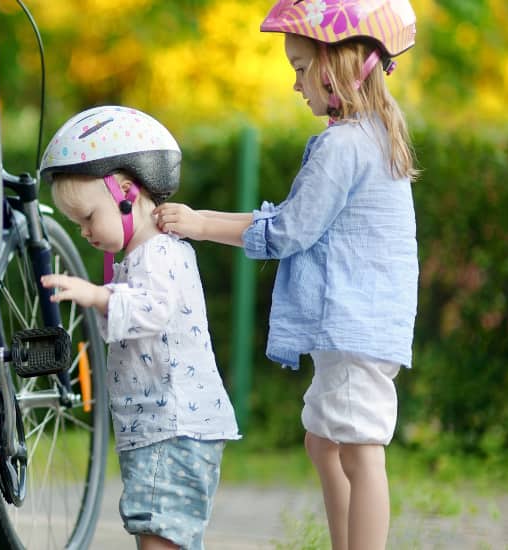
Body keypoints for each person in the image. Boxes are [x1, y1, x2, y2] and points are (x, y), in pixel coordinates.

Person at [153, 2, 419, 549]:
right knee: (325, 442)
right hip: (355, 324)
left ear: (338, 67)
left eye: (300, 68)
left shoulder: (344, 147)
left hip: (351, 326)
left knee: (361, 449)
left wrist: (201, 223)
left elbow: (290, 230)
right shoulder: (371, 135)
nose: (295, 84)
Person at [38, 105, 240, 550]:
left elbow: (153, 308)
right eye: (78, 224)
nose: (86, 232)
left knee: (160, 539)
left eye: (89, 217)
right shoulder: (137, 259)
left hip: (172, 424)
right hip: (159, 427)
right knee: (163, 537)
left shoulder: (159, 253)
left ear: (126, 191)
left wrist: (95, 296)